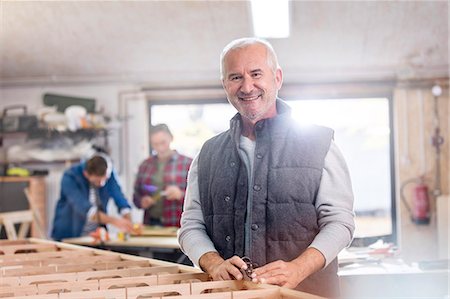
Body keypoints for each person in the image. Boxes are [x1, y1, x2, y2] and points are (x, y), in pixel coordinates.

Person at [178, 37, 355, 297]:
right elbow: (191, 225)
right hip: (228, 294)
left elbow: (340, 223)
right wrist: (213, 263)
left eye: (256, 73)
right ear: (225, 84)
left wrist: (298, 268)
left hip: (305, 293)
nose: (247, 86)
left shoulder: (320, 144)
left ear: (277, 78)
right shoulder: (207, 154)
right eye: (235, 77)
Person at [51, 153, 133, 241]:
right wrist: (115, 221)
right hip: (70, 234)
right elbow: (86, 209)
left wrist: (127, 219)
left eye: (105, 179)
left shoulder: (108, 173)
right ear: (86, 174)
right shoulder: (70, 177)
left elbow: (119, 196)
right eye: (98, 181)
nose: (102, 184)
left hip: (95, 237)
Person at [133, 124, 192, 227]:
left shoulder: (188, 164)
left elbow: (201, 198)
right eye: (155, 144)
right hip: (150, 224)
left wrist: (181, 195)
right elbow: (136, 195)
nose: (160, 148)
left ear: (171, 138)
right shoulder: (145, 165)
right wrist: (141, 201)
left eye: (163, 143)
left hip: (178, 224)